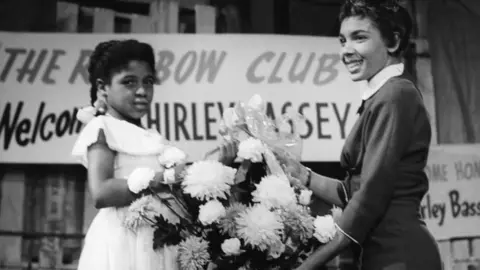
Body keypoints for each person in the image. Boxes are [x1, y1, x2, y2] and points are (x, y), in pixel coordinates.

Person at [275, 0, 443, 269]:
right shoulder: (383, 97)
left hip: (401, 256)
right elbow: (355, 190)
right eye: (342, 41)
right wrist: (303, 174)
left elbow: (369, 196)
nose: (346, 51)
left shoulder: (396, 95)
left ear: (393, 41)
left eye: (359, 38)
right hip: (382, 256)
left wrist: (308, 264)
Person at [71, 39, 237, 270]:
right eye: (129, 82)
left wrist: (212, 169)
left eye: (148, 82)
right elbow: (102, 192)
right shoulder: (102, 127)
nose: (142, 91)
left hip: (160, 241)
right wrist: (172, 176)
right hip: (126, 243)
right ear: (102, 87)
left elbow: (175, 188)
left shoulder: (151, 136)